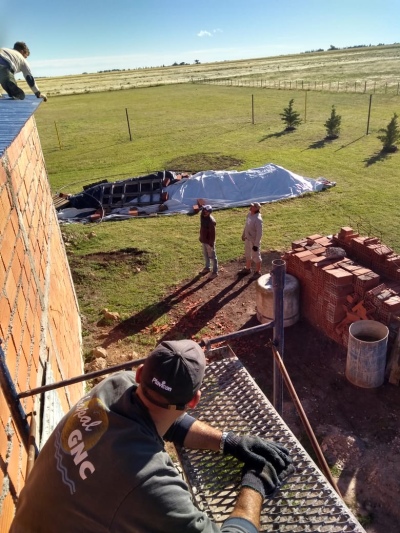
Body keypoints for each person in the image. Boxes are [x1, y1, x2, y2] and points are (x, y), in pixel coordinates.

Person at [10, 339, 294, 533]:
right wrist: (254, 484)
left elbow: (168, 423)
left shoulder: (114, 387)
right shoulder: (150, 482)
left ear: (140, 373)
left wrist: (229, 442)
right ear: (194, 400)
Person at [239, 202, 263, 279]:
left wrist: (256, 245)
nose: (250, 207)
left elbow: (259, 233)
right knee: (247, 254)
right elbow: (246, 225)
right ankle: (247, 268)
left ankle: (258, 272)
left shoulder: (258, 219)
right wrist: (243, 234)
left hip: (253, 241)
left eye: (252, 206)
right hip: (247, 239)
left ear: (256, 208)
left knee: (256, 256)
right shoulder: (249, 214)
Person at [199, 204, 218, 279]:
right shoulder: (203, 217)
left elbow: (213, 234)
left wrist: (211, 243)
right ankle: (207, 267)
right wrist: (201, 237)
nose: (204, 212)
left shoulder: (211, 221)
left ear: (210, 212)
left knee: (213, 257)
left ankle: (215, 272)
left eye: (206, 211)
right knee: (205, 255)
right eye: (203, 210)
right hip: (204, 240)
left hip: (209, 242)